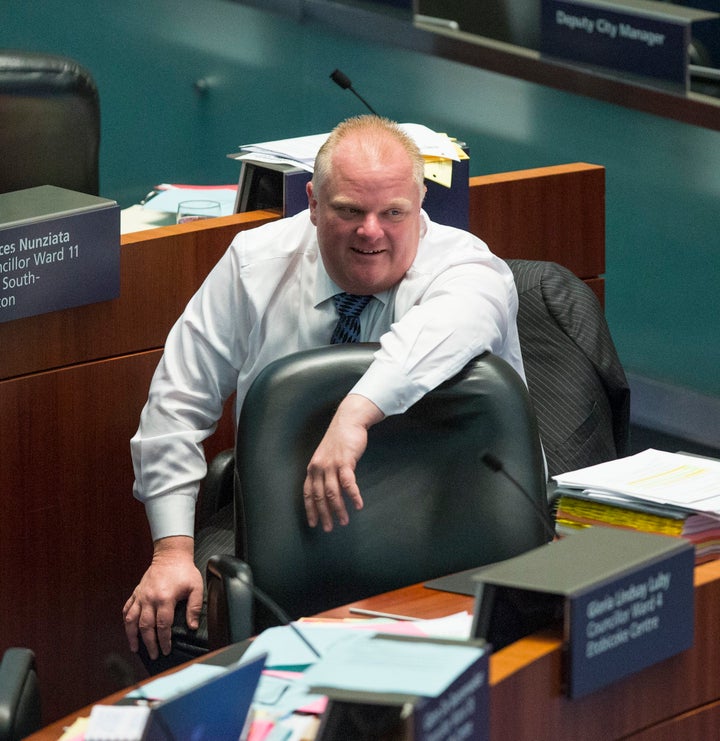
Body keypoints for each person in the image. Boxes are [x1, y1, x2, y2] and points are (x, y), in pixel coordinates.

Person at [123, 115, 526, 661]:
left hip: (449, 520)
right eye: (348, 211)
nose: (371, 232)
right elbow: (176, 403)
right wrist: (172, 549)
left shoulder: (468, 267)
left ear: (421, 202)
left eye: (393, 213)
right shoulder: (254, 265)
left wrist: (354, 413)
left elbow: (448, 325)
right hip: (287, 520)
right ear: (312, 202)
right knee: (179, 614)